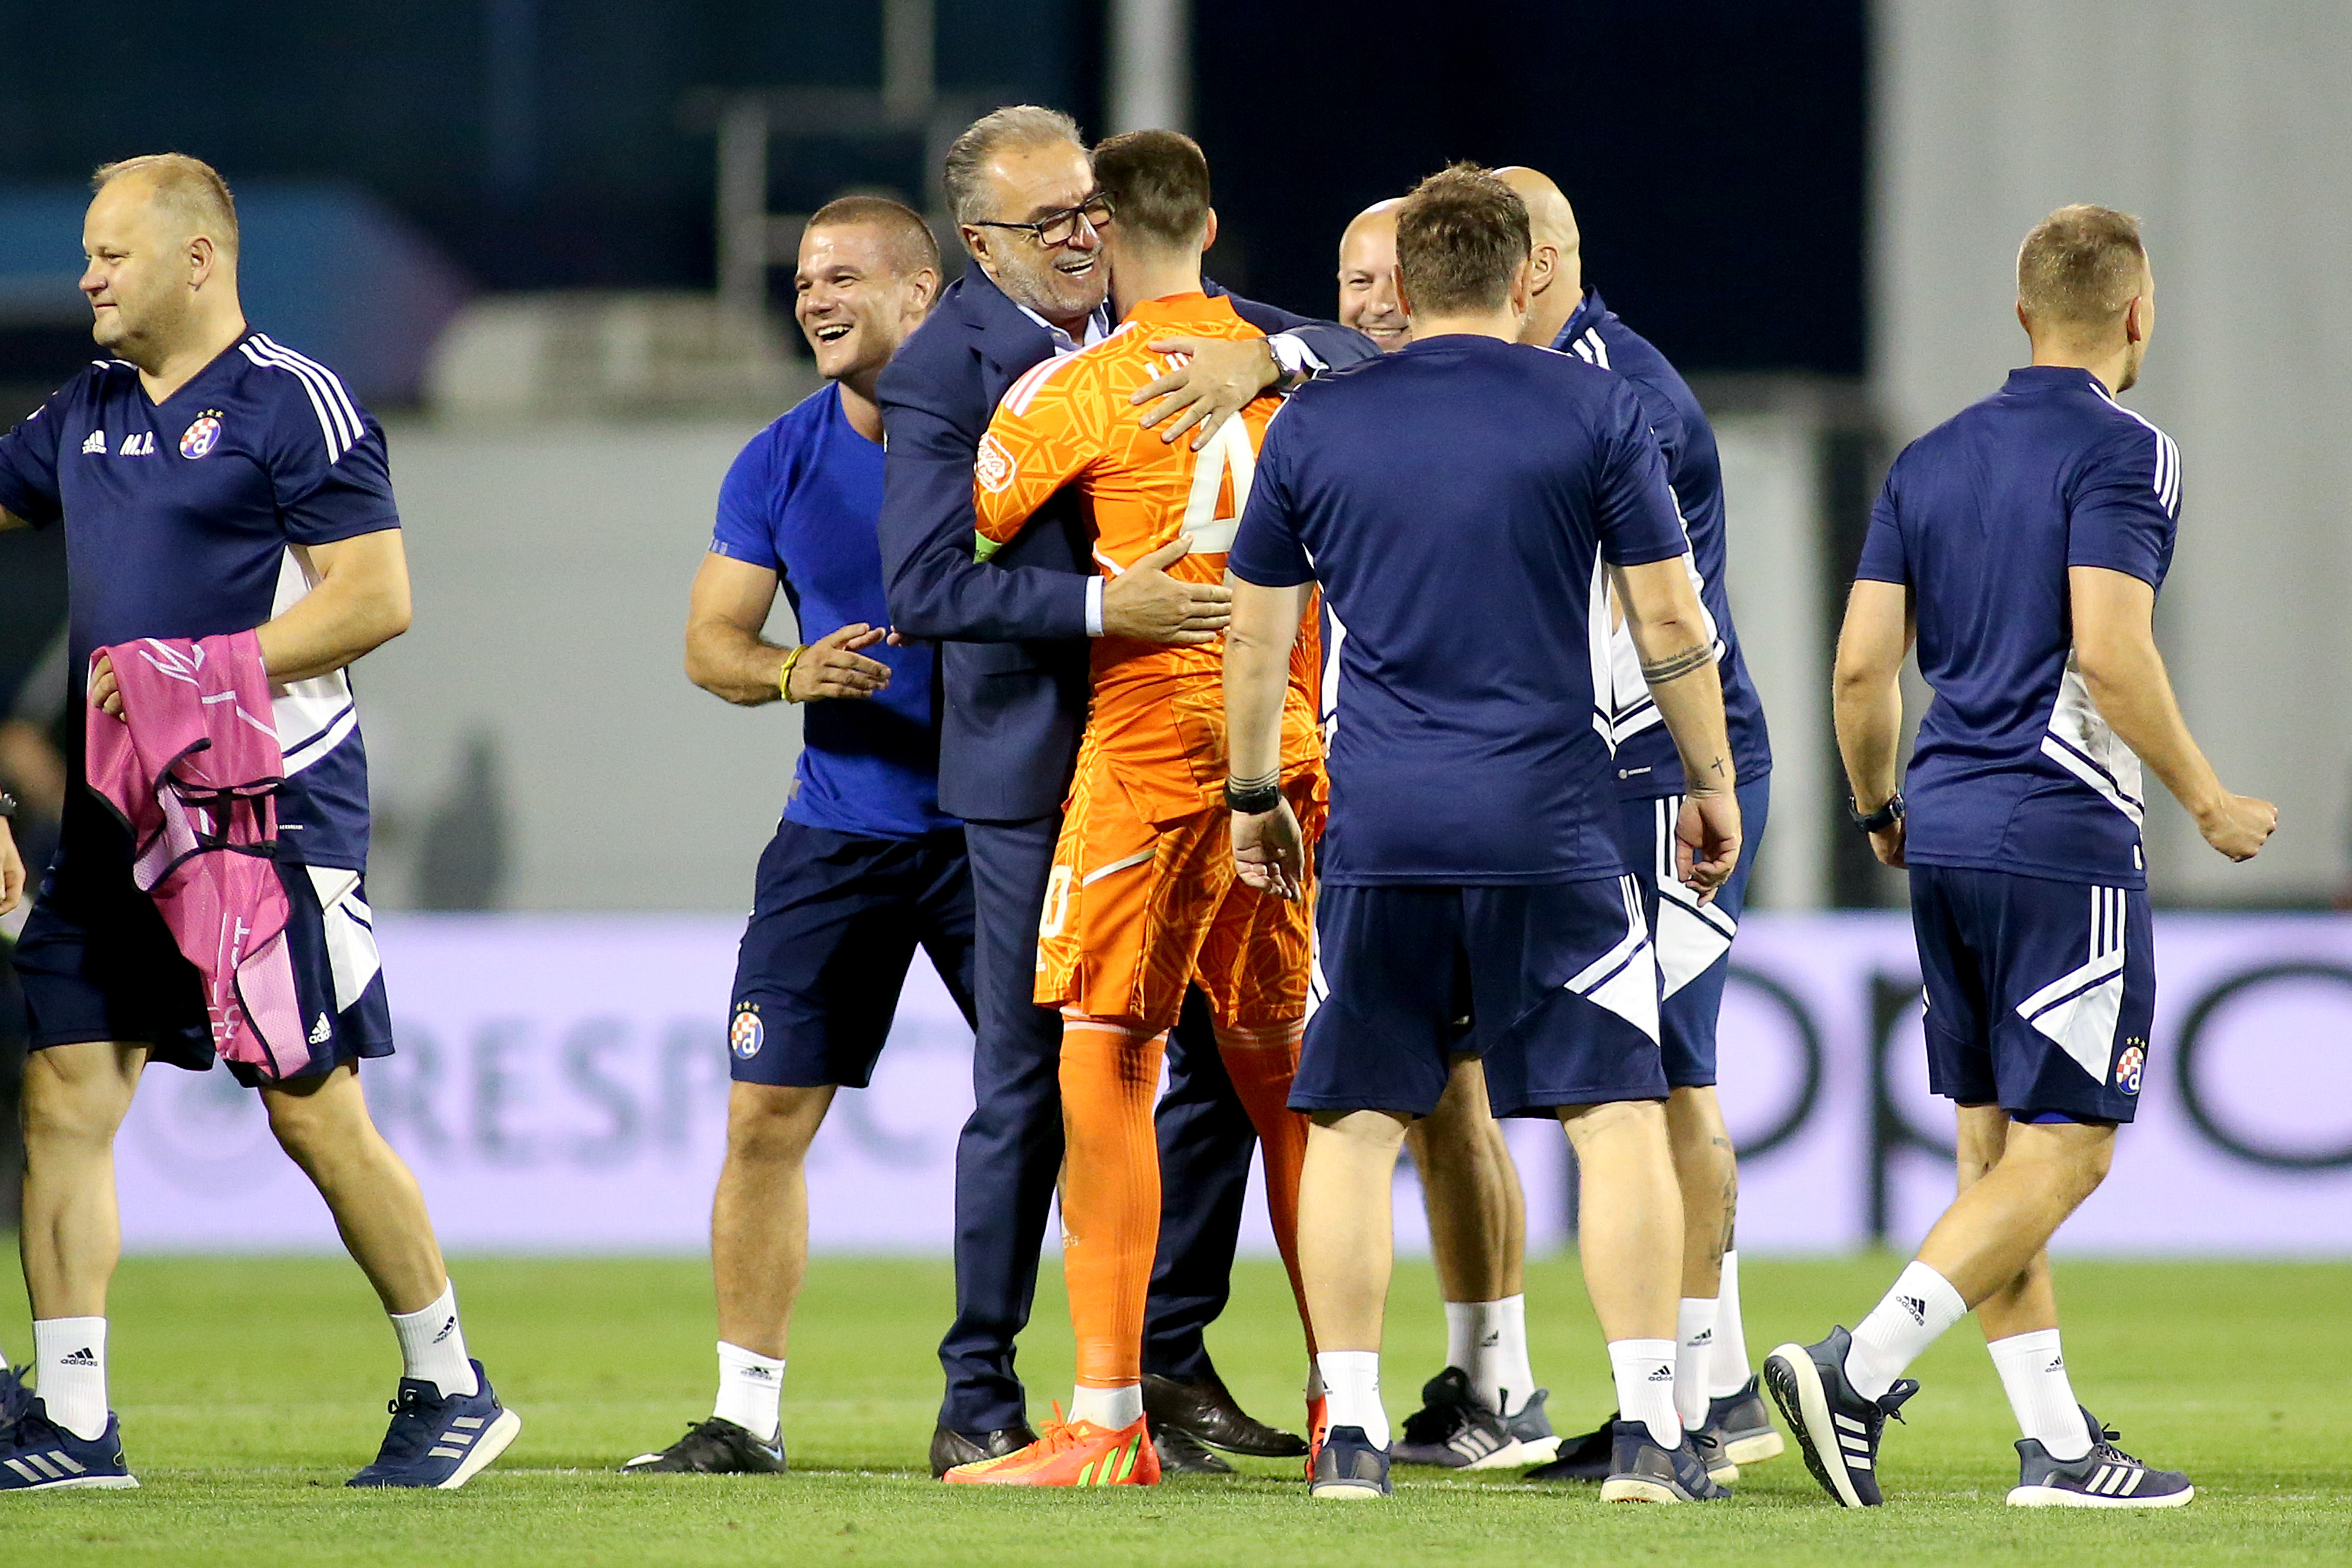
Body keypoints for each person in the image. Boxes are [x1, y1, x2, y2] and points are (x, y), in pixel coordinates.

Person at [1222, 163, 1740, 1505]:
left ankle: (1349, 1433)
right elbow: (1669, 619)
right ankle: (1650, 1428)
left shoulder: (1315, 427)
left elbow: (1259, 638)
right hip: (1553, 822)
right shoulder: (1594, 408)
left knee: (1352, 1124)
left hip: (1382, 825)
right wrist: (1711, 779)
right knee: (1613, 1115)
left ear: (1402, 284)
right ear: (1521, 276)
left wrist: (1251, 796)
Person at [0, 154, 517, 1490]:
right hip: (114, 816)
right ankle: (74, 1422)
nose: (87, 278)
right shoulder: (86, 408)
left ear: (197, 259)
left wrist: (195, 669)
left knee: (310, 1108)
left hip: (262, 810)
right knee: (65, 1092)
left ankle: (451, 1383)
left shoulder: (296, 402)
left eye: (110, 253)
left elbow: (375, 597)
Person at [877, 105, 1375, 1477]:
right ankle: (1346, 1410)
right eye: (1038, 222)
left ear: (1106, 221)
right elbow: (1394, 379)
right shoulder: (1278, 375)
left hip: (1144, 759)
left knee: (1105, 1055)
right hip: (1278, 751)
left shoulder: (1079, 390)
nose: (1066, 237)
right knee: (1281, 1067)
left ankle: (1108, 1409)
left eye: (1077, 215)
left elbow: (964, 538)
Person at [1766, 203, 2273, 1510]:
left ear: (2020, 315)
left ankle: (2055, 1446)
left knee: (1994, 1162)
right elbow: (2108, 648)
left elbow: (1859, 668)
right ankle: (1856, 1368)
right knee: (2072, 1151)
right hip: (2059, 829)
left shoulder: (1927, 459)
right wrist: (2208, 799)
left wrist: (1879, 809)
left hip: (1941, 825)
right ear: (2136, 315)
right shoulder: (2128, 451)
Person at [620, 197, 968, 1476]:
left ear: (921, 294)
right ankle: (745, 1414)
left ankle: (1095, 1391)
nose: (813, 298)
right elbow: (709, 641)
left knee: (1064, 1109)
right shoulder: (777, 457)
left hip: (998, 834)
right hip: (839, 833)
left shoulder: (1009, 435)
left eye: (842, 277)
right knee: (764, 1115)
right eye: (804, 280)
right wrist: (786, 672)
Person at [1330, 188, 1565, 1473]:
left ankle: (1487, 1381)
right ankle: (1494, 1384)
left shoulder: (1539, 405)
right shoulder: (1329, 407)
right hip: (1376, 797)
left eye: (1388, 279)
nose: (1372, 303)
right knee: (1435, 1106)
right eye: (1350, 283)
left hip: (1425, 804)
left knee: (1423, 1104)